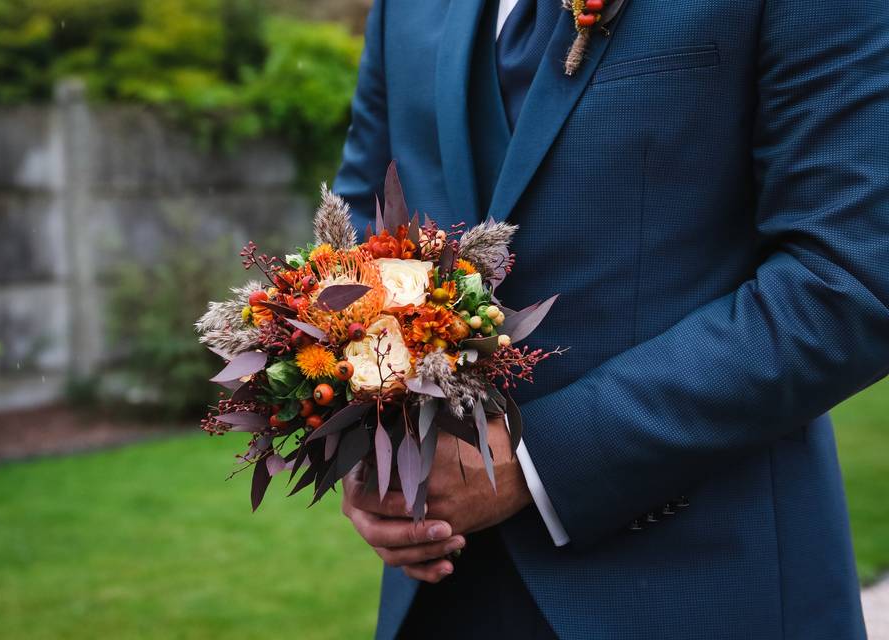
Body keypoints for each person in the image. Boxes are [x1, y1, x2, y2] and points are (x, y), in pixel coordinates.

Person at [332, 0, 889, 637]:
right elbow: (358, 232)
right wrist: (368, 439)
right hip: (439, 590)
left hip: (695, 581)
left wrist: (535, 463)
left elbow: (850, 279)